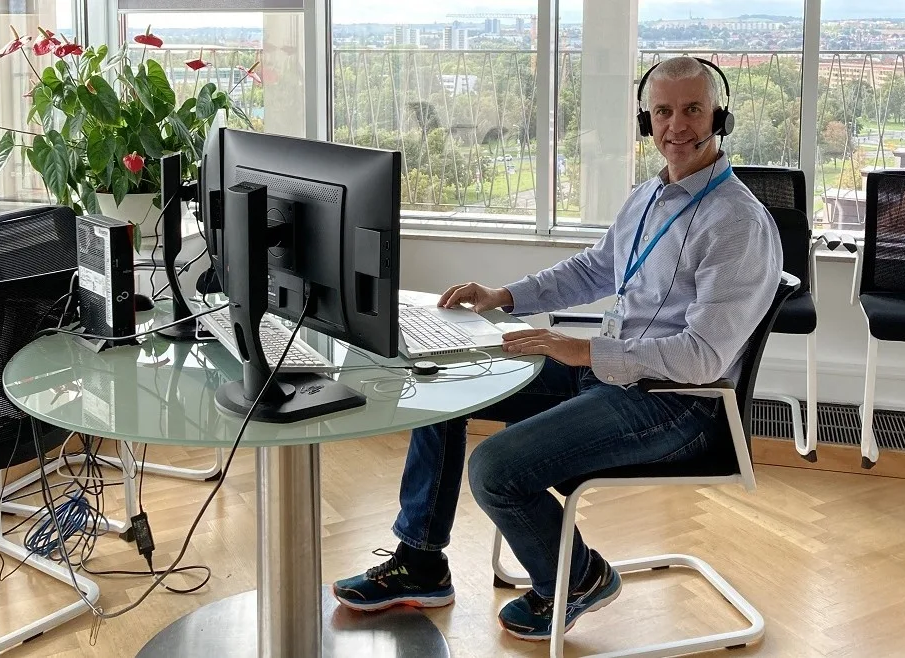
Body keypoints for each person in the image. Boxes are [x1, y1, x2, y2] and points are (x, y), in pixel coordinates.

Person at [333, 56, 783, 641]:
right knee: (445, 378)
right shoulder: (650, 195)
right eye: (663, 112)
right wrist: (505, 296)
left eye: (693, 110)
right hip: (613, 374)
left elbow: (702, 358)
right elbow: (595, 268)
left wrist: (585, 350)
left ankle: (579, 579)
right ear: (647, 122)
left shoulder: (737, 223)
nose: (678, 125)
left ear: (720, 116)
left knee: (494, 467)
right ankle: (420, 561)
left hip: (678, 404)